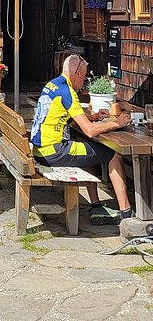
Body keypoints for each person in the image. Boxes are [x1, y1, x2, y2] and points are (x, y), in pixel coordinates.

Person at [31, 54, 133, 225]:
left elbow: (66, 116)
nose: (85, 79)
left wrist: (92, 116)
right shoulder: (67, 91)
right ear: (76, 72)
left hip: (41, 150)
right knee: (113, 154)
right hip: (53, 152)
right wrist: (117, 123)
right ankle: (126, 213)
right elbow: (90, 131)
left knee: (88, 149)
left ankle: (96, 206)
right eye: (84, 75)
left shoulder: (54, 84)